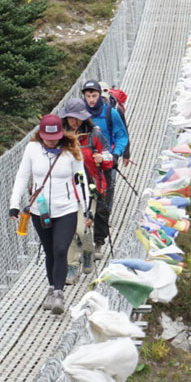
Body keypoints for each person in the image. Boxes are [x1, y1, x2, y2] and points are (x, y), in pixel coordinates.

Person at [9, 114, 90, 314]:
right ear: (41, 135)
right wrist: (14, 204)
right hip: (40, 210)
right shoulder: (32, 149)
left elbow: (81, 179)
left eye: (54, 137)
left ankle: (59, 295)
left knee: (61, 249)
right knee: (50, 251)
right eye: (47, 137)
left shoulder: (71, 150)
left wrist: (86, 206)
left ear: (61, 134)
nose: (51, 141)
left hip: (66, 208)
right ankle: (52, 288)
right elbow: (22, 176)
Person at [60, 98, 114, 281]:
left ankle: (87, 252)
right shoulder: (59, 136)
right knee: (68, 230)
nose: (75, 121)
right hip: (64, 190)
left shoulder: (94, 134)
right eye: (71, 117)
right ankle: (72, 266)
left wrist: (102, 158)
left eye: (78, 118)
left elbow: (109, 156)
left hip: (88, 188)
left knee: (83, 228)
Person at [80, 80, 129, 258]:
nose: (91, 99)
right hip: (85, 164)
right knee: (84, 202)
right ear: (84, 96)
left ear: (100, 95)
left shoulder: (110, 112)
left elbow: (122, 135)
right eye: (88, 96)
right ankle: (83, 240)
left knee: (103, 204)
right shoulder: (79, 114)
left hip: (106, 163)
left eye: (94, 95)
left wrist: (116, 155)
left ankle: (99, 241)